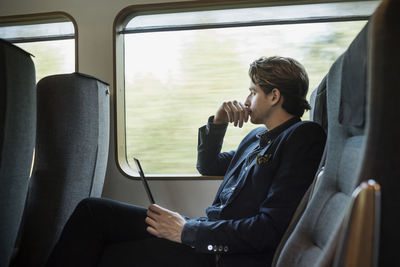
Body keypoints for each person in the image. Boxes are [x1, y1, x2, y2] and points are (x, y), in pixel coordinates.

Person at [45, 56, 326, 267]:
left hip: (224, 253)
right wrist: (218, 122)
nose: (246, 98)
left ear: (274, 96)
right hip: (204, 230)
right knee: (93, 212)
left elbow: (269, 228)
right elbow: (209, 165)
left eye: (253, 91)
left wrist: (186, 231)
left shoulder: (301, 136)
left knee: (110, 254)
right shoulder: (256, 136)